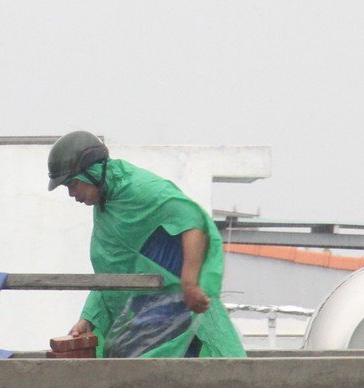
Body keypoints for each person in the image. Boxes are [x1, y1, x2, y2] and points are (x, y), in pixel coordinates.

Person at [47, 131, 246, 358]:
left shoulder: (140, 189)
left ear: (92, 173)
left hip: (178, 315)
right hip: (143, 318)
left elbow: (192, 221)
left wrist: (190, 284)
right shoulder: (106, 206)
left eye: (73, 185)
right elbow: (113, 269)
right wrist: (88, 318)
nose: (72, 194)